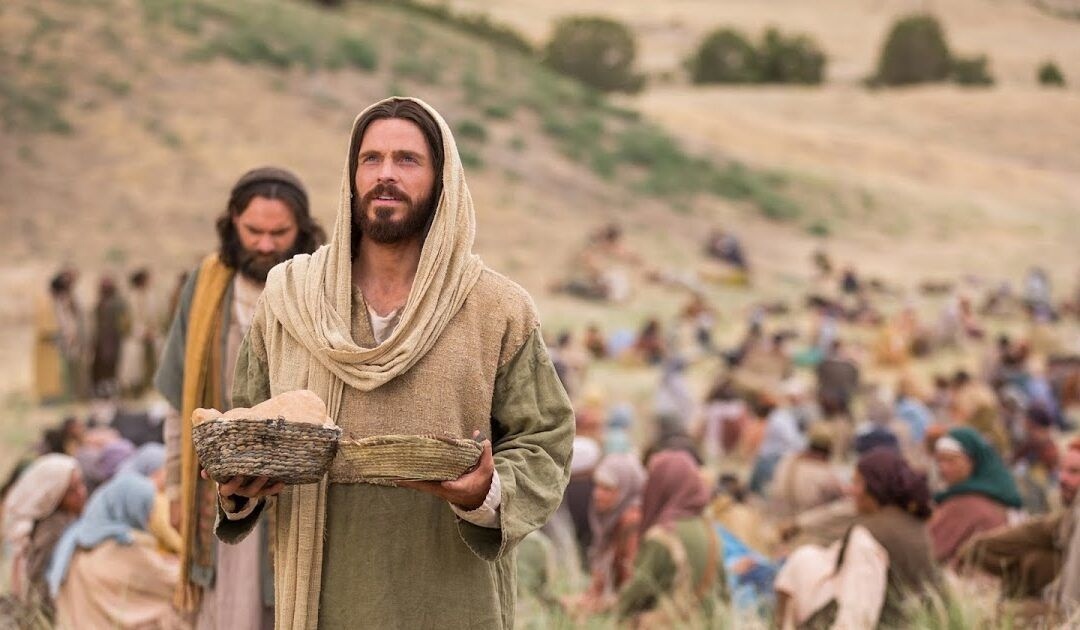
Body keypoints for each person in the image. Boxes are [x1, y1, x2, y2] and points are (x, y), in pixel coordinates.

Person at [214, 97, 574, 629]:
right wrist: (236, 486)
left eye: (407, 160)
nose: (385, 174)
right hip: (322, 596)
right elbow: (246, 423)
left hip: (451, 597)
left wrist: (487, 494)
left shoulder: (497, 307)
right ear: (351, 175)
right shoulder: (290, 298)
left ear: (442, 178)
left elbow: (545, 438)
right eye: (371, 159)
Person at [154, 166, 325, 628]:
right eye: (253, 231)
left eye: (279, 232)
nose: (266, 244)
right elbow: (179, 400)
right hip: (218, 482)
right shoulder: (206, 286)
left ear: (302, 230)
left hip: (300, 483)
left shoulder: (323, 284)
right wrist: (175, 484)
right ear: (232, 223)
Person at [776, 448, 941, 628]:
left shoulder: (867, 537)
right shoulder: (914, 524)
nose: (850, 490)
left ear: (876, 487)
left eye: (857, 483)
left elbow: (858, 613)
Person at [47, 473, 183, 630]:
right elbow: (173, 581)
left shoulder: (76, 544)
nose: (147, 519)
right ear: (128, 509)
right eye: (144, 510)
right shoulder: (119, 548)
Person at [959, 439, 1080, 614]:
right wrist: (972, 549)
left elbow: (1069, 607)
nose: (1062, 478)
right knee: (1034, 560)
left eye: (1074, 471)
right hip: (1056, 605)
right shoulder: (1067, 518)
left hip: (1067, 615)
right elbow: (1034, 531)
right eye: (1061, 470)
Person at [616, 451, 726, 624]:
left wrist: (614, 615)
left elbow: (639, 589)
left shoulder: (662, 535)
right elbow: (723, 591)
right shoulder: (710, 530)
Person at [1, 454, 87, 618]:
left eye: (81, 484)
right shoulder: (54, 530)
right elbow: (38, 586)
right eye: (71, 490)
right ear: (53, 493)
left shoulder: (65, 519)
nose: (81, 492)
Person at [929, 427, 1022, 563]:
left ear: (972, 461)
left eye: (951, 460)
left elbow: (932, 552)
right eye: (940, 461)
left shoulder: (965, 502)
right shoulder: (995, 492)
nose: (943, 468)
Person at [570, 453, 646, 615]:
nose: (597, 494)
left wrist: (593, 607)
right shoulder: (609, 520)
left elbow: (630, 590)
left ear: (626, 489)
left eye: (607, 489)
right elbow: (599, 584)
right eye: (597, 486)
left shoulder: (631, 523)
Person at [768, 424, 845, 520]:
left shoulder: (787, 460)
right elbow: (842, 498)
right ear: (829, 449)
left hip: (777, 520)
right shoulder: (826, 474)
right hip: (805, 528)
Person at [33, 271, 86, 404]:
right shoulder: (45, 302)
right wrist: (60, 336)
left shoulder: (59, 302)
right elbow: (44, 326)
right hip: (47, 345)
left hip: (59, 344)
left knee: (59, 374)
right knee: (47, 374)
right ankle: (48, 400)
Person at [90, 276, 131, 397]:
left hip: (113, 340)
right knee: (104, 366)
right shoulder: (101, 303)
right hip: (103, 341)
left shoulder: (117, 303)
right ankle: (105, 391)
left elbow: (124, 323)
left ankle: (112, 391)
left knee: (112, 366)